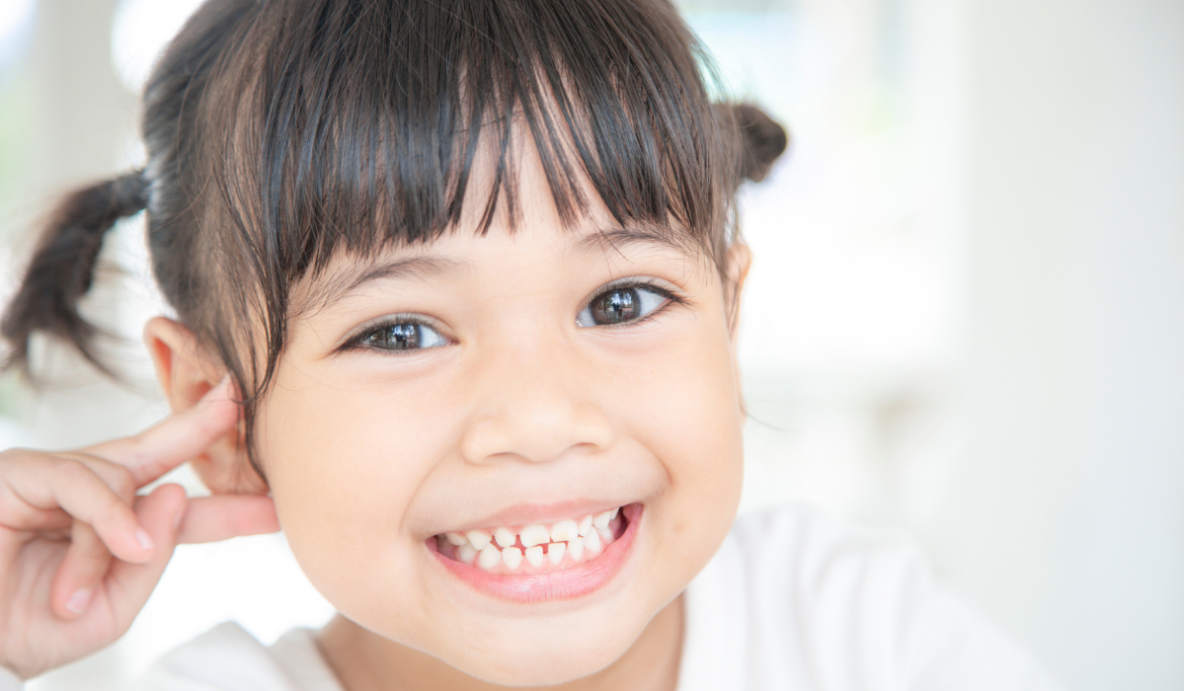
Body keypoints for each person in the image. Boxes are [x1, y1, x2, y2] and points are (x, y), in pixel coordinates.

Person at [0, 0, 1062, 689]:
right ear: (219, 409)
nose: (540, 416)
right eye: (401, 329)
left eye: (618, 302)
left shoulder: (851, 630)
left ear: (728, 318)